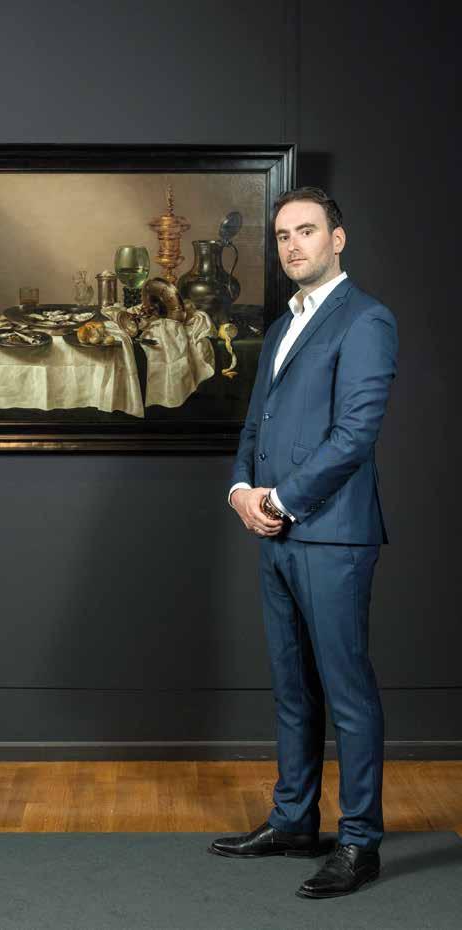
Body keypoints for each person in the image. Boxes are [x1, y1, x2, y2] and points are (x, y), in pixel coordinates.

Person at [208, 187, 398, 899]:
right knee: (292, 689)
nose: (293, 245)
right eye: (283, 234)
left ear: (336, 239)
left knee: (347, 694)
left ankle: (359, 841)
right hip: (274, 531)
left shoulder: (366, 319)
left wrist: (279, 501)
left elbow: (354, 436)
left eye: (307, 231)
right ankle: (293, 822)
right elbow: (254, 427)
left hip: (332, 536)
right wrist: (240, 490)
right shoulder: (283, 324)